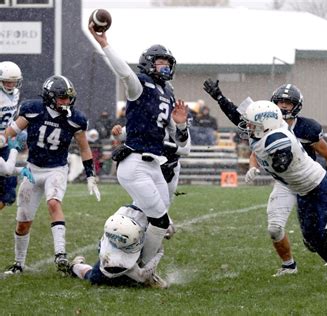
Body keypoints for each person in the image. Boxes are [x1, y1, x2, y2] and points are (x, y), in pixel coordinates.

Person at [204, 80, 327, 288]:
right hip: (302, 188)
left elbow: (284, 154)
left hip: (318, 187)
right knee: (312, 241)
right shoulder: (267, 127)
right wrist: (220, 98)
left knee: (316, 238)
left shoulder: (277, 137)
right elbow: (237, 116)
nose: (247, 126)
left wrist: (281, 159)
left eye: (252, 124)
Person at [88, 22, 189, 269]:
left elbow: (183, 143)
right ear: (148, 63)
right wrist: (104, 43)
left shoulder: (167, 93)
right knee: (161, 222)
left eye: (168, 63)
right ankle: (142, 267)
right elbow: (123, 72)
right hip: (135, 163)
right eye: (160, 62)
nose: (165, 67)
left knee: (152, 218)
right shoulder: (139, 84)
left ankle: (116, 254)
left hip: (155, 164)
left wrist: (182, 124)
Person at [3, 75, 101, 275]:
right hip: (32, 169)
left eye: (68, 98)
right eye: (61, 98)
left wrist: (90, 175)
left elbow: (84, 148)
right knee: (23, 221)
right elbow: (9, 133)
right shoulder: (32, 109)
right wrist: (9, 141)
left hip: (56, 168)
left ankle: (60, 254)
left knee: (53, 202)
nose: (66, 102)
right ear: (49, 97)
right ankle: (18, 263)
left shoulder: (76, 118)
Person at [244, 83, 327, 277]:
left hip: (311, 183)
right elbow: (257, 150)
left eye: (288, 102)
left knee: (321, 233)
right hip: (285, 184)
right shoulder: (266, 125)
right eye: (280, 101)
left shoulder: (308, 128)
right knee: (274, 228)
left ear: (297, 105)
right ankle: (289, 265)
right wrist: (253, 167)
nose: (283, 106)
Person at [68, 205, 167, 288]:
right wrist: (158, 254)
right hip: (115, 265)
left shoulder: (130, 218)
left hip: (126, 239)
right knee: (94, 278)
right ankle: (75, 266)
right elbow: (143, 277)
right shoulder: (114, 261)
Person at [0, 61, 23, 211]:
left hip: (5, 142)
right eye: (7, 82)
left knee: (9, 193)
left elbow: (13, 117)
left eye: (13, 82)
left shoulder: (15, 93)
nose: (10, 85)